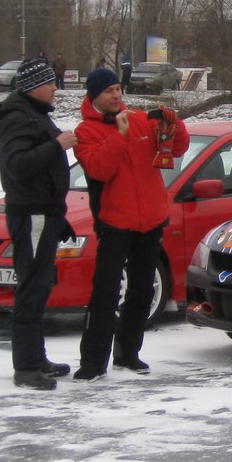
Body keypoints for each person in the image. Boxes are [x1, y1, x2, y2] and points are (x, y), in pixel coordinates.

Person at [71, 68, 189, 382]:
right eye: (108, 91)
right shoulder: (85, 131)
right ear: (94, 96)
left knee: (141, 290)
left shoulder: (140, 119)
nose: (116, 95)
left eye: (117, 89)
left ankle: (128, 353)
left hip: (151, 219)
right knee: (106, 293)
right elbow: (99, 170)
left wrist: (174, 126)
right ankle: (93, 361)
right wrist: (120, 136)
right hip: (115, 222)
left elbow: (176, 149)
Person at [0, 57, 78, 390]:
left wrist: (58, 215)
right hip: (31, 215)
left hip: (43, 213)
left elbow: (39, 174)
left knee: (39, 287)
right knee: (31, 288)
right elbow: (18, 166)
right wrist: (58, 145)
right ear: (33, 86)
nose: (55, 88)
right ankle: (26, 367)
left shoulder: (33, 114)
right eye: (50, 83)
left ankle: (37, 358)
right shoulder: (17, 118)